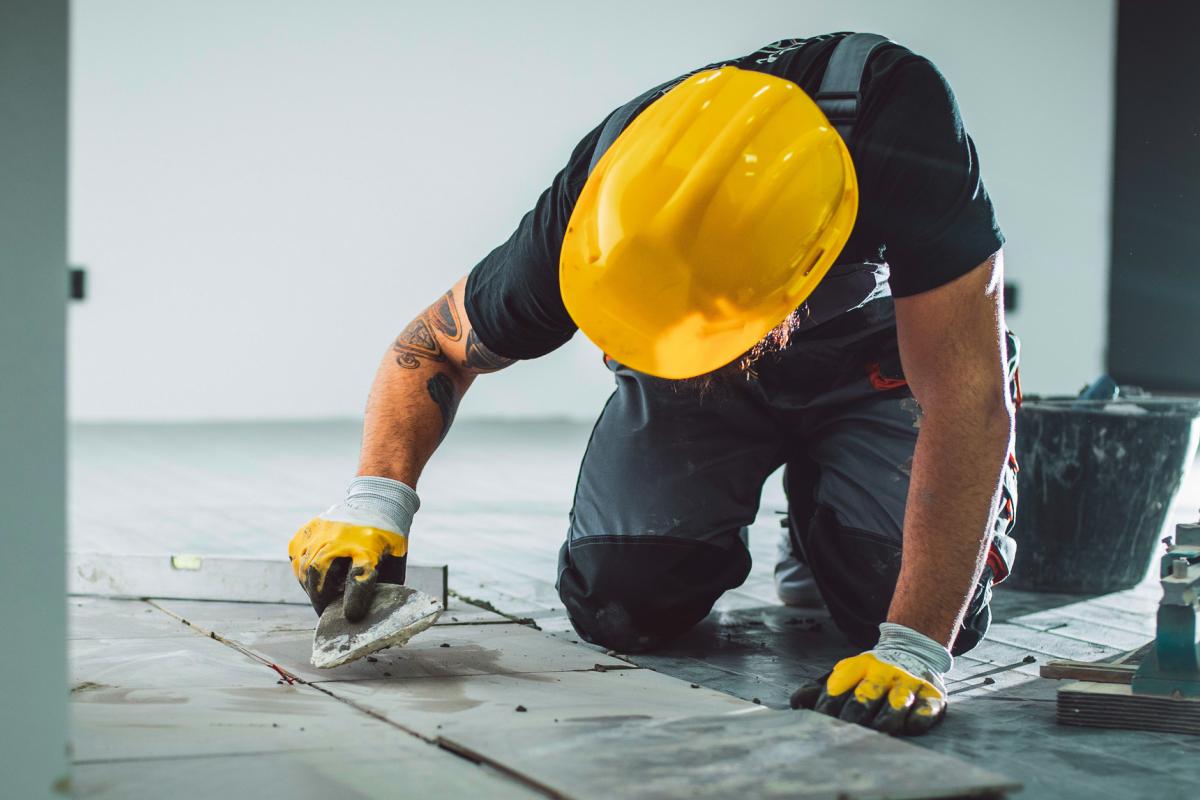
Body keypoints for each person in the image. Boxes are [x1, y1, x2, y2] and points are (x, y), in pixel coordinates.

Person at [288, 32, 1020, 737]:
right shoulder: (601, 198)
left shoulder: (896, 121)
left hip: (878, 368)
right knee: (621, 602)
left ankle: (826, 508)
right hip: (697, 391)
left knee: (906, 597)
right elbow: (432, 345)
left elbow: (966, 394)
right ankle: (793, 485)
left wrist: (915, 648)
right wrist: (375, 501)